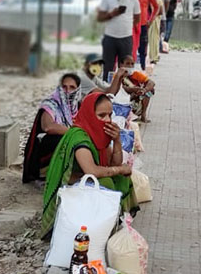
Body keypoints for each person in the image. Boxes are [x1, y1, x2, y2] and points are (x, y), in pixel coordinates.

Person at [40, 92, 138, 237]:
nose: (107, 120)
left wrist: (117, 141)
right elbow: (91, 170)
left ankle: (113, 220)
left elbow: (113, 162)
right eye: (101, 115)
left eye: (110, 115)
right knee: (107, 182)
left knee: (122, 177)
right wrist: (119, 169)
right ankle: (96, 228)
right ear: (90, 114)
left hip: (86, 180)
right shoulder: (79, 136)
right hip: (70, 186)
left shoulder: (98, 133)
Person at [22, 73, 82, 184]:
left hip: (69, 143)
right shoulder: (51, 103)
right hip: (47, 148)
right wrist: (74, 132)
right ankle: (50, 173)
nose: (67, 91)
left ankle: (73, 172)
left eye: (72, 87)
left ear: (78, 89)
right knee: (62, 139)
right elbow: (48, 127)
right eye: (64, 87)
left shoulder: (78, 107)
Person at [97, 0, 140, 82]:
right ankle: (107, 90)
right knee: (108, 66)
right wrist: (112, 14)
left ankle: (125, 91)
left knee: (126, 68)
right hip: (110, 38)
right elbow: (100, 17)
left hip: (126, 38)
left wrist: (126, 26)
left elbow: (137, 18)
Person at [128, 0, 159, 70]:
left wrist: (151, 19)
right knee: (131, 46)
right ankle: (130, 66)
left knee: (143, 46)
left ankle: (142, 65)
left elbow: (156, 6)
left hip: (143, 23)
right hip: (130, 24)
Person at [119, 55, 156, 123]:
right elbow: (119, 88)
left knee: (149, 91)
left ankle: (143, 114)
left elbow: (151, 82)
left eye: (132, 64)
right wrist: (132, 90)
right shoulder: (117, 76)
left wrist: (144, 90)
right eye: (127, 63)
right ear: (121, 64)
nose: (130, 66)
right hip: (123, 102)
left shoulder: (136, 74)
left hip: (136, 101)